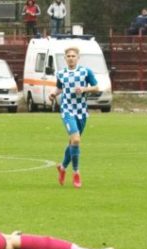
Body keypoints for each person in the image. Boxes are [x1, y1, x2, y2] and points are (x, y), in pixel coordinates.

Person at [48, 46, 99, 188]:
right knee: (76, 140)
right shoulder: (61, 73)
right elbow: (59, 88)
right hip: (67, 110)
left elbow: (96, 87)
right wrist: (53, 94)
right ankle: (76, 173)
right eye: (68, 56)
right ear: (65, 58)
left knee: (73, 142)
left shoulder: (85, 72)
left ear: (78, 58)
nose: (71, 58)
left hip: (81, 111)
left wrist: (84, 89)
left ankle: (62, 167)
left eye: (73, 56)